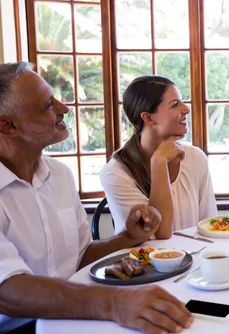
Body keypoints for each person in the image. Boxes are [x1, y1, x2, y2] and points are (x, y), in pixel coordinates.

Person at [0, 62, 193, 333]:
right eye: (47, 105)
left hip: (78, 313)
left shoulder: (59, 175)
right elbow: (7, 290)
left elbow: (80, 257)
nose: (63, 108)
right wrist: (114, 303)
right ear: (8, 125)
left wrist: (129, 237)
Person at [100, 76, 217, 239]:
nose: (186, 109)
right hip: (144, 262)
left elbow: (210, 226)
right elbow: (159, 236)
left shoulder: (195, 158)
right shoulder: (115, 173)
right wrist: (159, 162)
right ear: (148, 118)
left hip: (197, 260)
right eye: (175, 104)